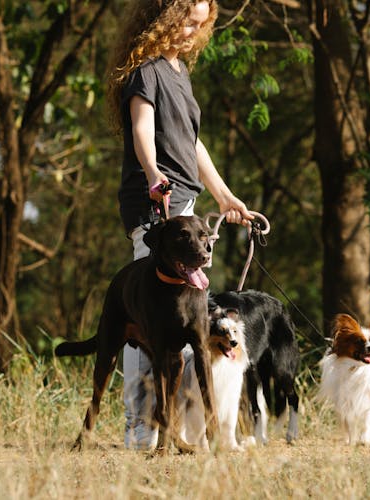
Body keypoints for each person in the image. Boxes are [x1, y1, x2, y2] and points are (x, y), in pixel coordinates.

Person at [105, 0, 253, 450]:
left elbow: (192, 144)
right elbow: (142, 128)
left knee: (188, 326)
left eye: (201, 23)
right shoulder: (146, 71)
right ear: (164, 17)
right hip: (156, 207)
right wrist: (152, 172)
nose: (194, 31)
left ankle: (182, 430)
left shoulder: (179, 74)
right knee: (148, 324)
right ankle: (140, 430)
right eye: (187, 21)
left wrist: (225, 195)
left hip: (186, 204)